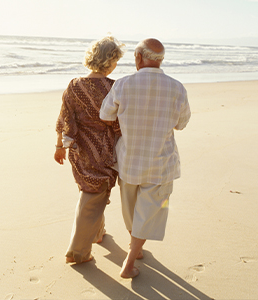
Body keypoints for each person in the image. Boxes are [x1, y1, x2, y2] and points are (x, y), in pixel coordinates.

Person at [99, 38, 191, 278]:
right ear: (160, 60)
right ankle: (132, 257)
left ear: (138, 57)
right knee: (151, 210)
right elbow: (181, 124)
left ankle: (133, 250)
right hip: (161, 162)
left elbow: (105, 115)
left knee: (130, 209)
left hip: (129, 160)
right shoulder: (177, 87)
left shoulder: (123, 84)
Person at [54, 36, 124, 264]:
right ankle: (78, 252)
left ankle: (97, 233)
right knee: (94, 193)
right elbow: (119, 123)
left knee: (93, 188)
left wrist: (59, 146)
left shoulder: (74, 85)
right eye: (116, 60)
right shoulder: (113, 87)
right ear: (110, 60)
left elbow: (65, 117)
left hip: (80, 148)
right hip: (103, 148)